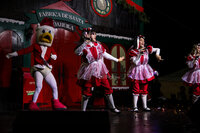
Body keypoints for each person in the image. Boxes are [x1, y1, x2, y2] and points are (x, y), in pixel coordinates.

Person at [6, 17, 67, 111]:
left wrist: (54, 57)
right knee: (39, 86)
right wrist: (12, 54)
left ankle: (56, 102)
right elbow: (24, 51)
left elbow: (54, 56)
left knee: (54, 86)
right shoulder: (35, 46)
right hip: (37, 69)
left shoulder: (50, 48)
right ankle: (33, 103)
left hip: (46, 69)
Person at [75, 28, 124, 113]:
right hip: (89, 70)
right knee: (87, 90)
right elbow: (77, 52)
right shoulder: (84, 46)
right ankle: (83, 110)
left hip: (100, 69)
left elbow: (105, 54)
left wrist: (117, 60)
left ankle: (113, 107)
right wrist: (84, 42)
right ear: (87, 35)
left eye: (95, 34)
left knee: (107, 87)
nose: (95, 35)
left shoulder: (98, 45)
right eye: (93, 34)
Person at [127, 35, 163, 112]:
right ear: (137, 42)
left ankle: (145, 106)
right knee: (136, 88)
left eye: (143, 40)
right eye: (141, 40)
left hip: (145, 70)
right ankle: (135, 107)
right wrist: (139, 53)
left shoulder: (147, 49)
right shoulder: (133, 51)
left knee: (145, 88)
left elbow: (158, 49)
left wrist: (157, 54)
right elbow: (136, 63)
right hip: (136, 70)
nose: (143, 42)